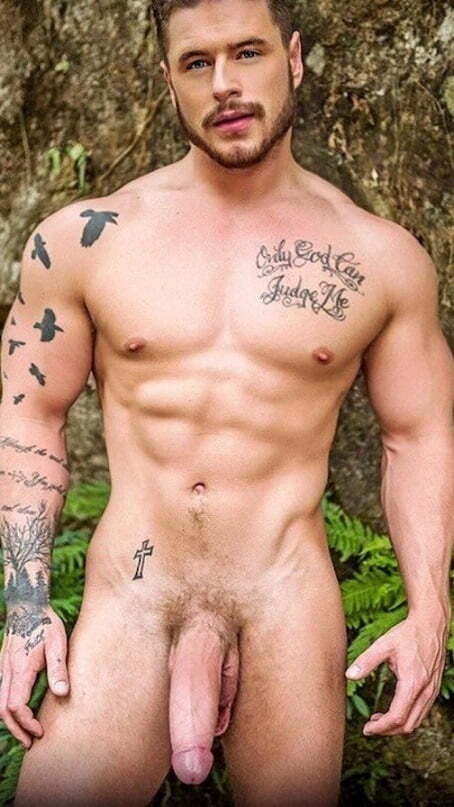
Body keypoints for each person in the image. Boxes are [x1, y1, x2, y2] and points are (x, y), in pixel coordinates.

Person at [1, 0, 452, 804]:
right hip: (134, 583)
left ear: (295, 58)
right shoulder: (84, 240)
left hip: (283, 590)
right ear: (167, 79)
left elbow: (416, 437)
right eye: (196, 62)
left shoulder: (380, 258)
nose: (224, 85)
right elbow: (29, 414)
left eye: (248, 53)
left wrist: (428, 613)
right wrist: (27, 603)